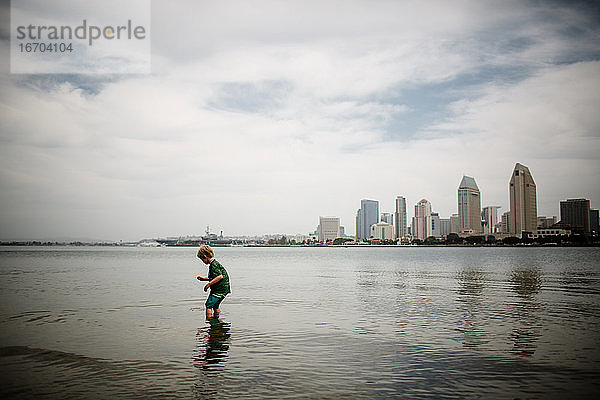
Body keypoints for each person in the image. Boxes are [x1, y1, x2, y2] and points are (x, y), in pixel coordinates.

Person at [196, 245, 231, 319]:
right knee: (215, 305)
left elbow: (220, 276)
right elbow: (215, 277)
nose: (203, 262)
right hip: (224, 289)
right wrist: (204, 279)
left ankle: (209, 321)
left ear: (205, 256)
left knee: (208, 305)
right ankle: (216, 322)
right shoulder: (215, 264)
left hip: (219, 289)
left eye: (202, 260)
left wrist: (209, 284)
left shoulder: (213, 265)